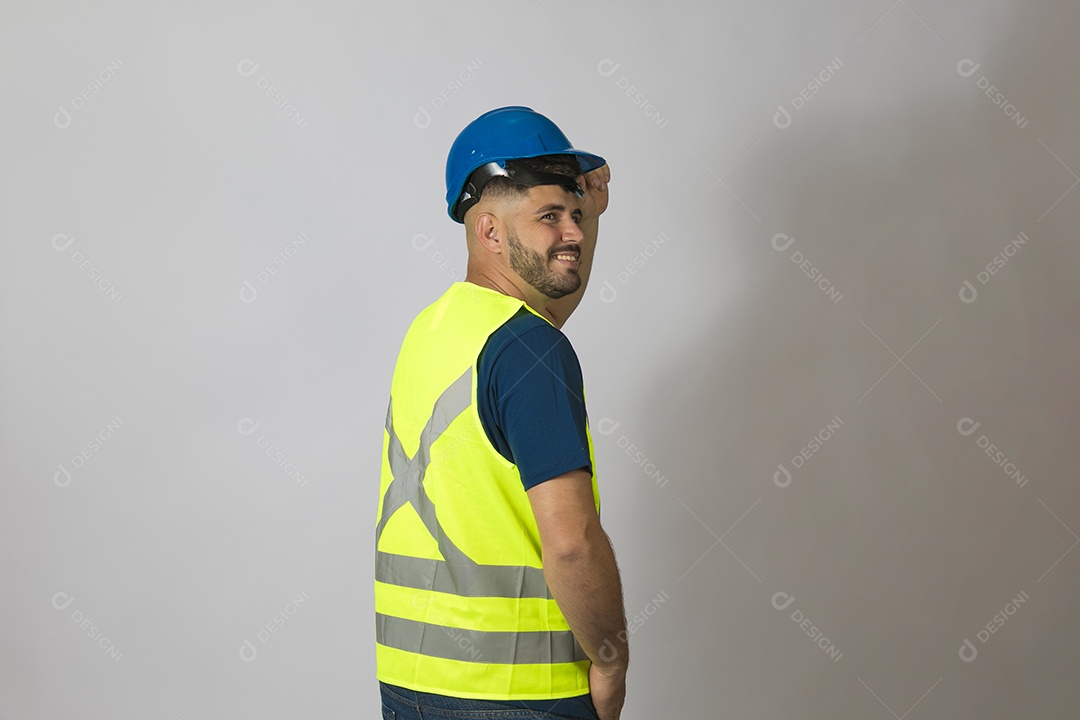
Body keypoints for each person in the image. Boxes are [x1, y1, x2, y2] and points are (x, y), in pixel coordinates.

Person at [374, 106, 628, 720]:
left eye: (575, 215)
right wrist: (610, 659)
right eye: (550, 216)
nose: (573, 233)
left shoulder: (432, 330)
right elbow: (572, 545)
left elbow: (543, 306)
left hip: (411, 685)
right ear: (489, 232)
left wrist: (585, 215)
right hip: (519, 695)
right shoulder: (530, 351)